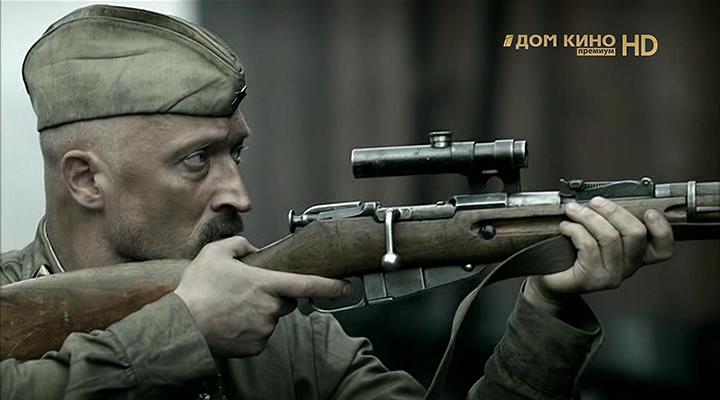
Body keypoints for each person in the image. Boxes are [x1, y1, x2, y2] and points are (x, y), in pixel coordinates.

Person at [0, 5, 674, 400]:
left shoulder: (285, 337)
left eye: (236, 153)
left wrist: (548, 307)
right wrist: (184, 331)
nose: (239, 193)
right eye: (197, 159)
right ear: (85, 180)